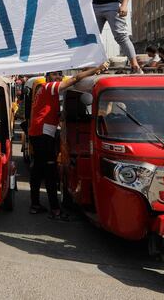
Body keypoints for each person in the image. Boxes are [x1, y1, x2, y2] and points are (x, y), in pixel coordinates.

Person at [29, 62, 109, 220]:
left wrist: (92, 69)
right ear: (47, 77)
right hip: (43, 134)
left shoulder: (42, 90)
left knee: (38, 170)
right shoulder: (49, 87)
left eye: (59, 74)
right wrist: (97, 68)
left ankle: (35, 204)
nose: (58, 76)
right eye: (54, 74)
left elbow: (77, 76)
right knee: (50, 171)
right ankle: (55, 209)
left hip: (38, 132)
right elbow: (75, 78)